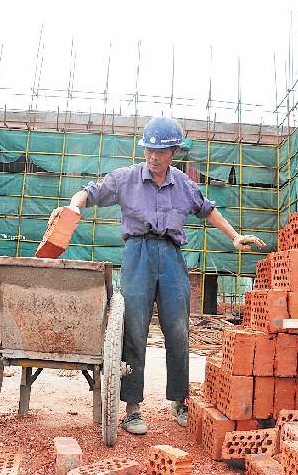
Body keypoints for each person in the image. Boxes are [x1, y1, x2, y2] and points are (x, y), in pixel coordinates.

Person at [69, 117, 265, 435]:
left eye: (161, 152)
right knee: (134, 328)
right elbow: (91, 192)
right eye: (149, 150)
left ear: (174, 152)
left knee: (177, 329)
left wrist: (234, 236)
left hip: (172, 258)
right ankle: (132, 408)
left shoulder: (184, 185)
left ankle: (180, 401)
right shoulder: (126, 178)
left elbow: (207, 208)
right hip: (137, 255)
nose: (153, 157)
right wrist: (73, 207)